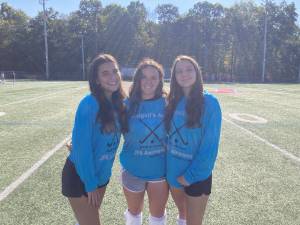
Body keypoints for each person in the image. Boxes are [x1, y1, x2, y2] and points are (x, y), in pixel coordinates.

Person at [61, 54, 128, 225]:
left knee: (85, 220)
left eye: (115, 71)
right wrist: (90, 184)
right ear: (97, 80)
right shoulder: (88, 104)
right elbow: (82, 150)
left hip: (102, 176)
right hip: (81, 177)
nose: (112, 76)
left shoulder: (120, 103)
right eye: (105, 73)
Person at [164, 55, 222, 225]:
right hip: (173, 173)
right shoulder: (173, 101)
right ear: (174, 76)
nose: (184, 74)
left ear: (197, 72)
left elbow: (209, 147)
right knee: (182, 215)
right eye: (179, 71)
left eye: (189, 69)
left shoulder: (209, 103)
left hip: (196, 176)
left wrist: (190, 176)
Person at [120, 58, 169, 225]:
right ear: (137, 79)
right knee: (134, 216)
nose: (148, 81)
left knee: (157, 218)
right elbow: (108, 130)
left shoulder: (168, 103)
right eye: (144, 77)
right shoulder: (126, 105)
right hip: (132, 169)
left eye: (153, 77)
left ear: (160, 81)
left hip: (160, 172)